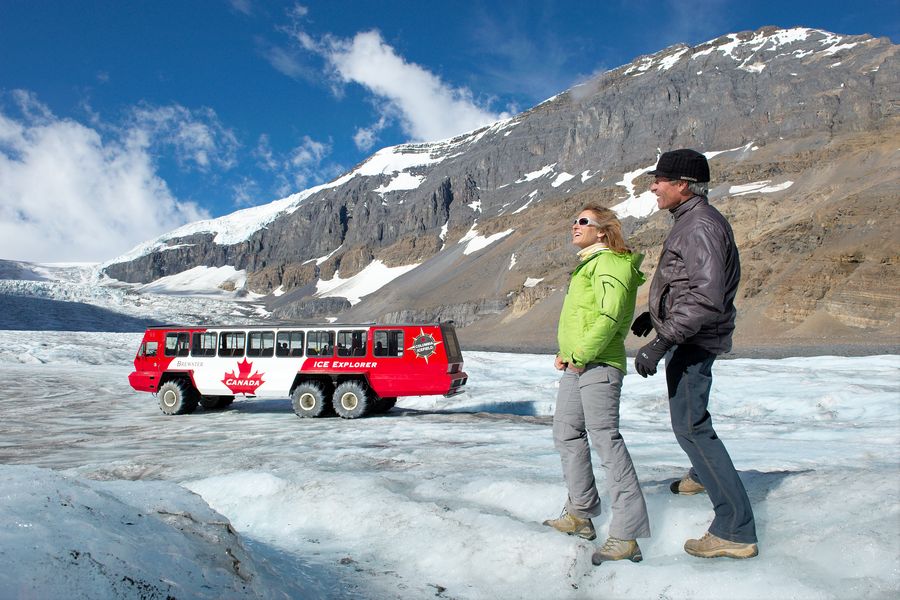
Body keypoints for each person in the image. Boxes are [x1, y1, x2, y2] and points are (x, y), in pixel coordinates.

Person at [632, 148, 758, 559]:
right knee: (692, 422)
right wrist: (654, 315)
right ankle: (701, 474)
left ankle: (734, 530)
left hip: (693, 341)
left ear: (682, 185)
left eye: (660, 180)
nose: (653, 187)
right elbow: (686, 285)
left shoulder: (699, 225)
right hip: (689, 336)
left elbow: (705, 298)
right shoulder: (691, 220)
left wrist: (662, 340)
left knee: (691, 427)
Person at [544, 205, 651, 565]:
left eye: (584, 221)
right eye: (574, 220)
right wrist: (567, 352)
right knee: (566, 433)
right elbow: (585, 316)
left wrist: (581, 352)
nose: (575, 225)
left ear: (603, 231)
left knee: (606, 441)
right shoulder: (588, 264)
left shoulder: (611, 263)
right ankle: (581, 513)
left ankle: (627, 534)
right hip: (578, 363)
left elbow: (609, 315)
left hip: (600, 364)